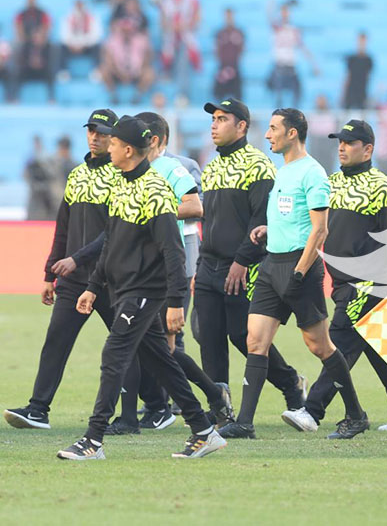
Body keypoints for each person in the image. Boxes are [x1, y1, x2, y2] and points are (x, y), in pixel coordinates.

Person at [57, 116, 226, 460]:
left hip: (146, 291)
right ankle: (204, 429)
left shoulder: (155, 191)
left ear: (129, 150)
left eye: (114, 143)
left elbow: (173, 251)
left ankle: (93, 439)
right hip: (123, 288)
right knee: (160, 360)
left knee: (114, 353)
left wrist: (176, 301)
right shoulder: (120, 185)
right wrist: (93, 286)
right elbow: (110, 243)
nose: (109, 148)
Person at [219, 111, 368, 440]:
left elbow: (320, 230)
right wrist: (267, 229)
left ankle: (356, 415)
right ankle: (244, 423)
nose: (267, 135)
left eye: (273, 129)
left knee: (319, 345)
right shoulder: (283, 170)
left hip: (300, 268)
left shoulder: (313, 173)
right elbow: (291, 217)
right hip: (272, 264)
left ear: (292, 134)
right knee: (255, 341)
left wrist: (300, 271)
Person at [279, 117, 387, 436]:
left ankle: (313, 410)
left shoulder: (382, 187)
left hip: (368, 281)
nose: (342, 148)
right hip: (341, 281)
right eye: (340, 143)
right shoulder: (330, 182)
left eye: (349, 143)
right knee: (373, 345)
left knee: (340, 343)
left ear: (368, 149)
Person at [104, 111, 234, 434]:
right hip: (138, 269)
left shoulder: (171, 168)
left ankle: (180, 406)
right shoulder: (126, 174)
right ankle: (189, 404)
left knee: (161, 347)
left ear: (153, 140)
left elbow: (196, 206)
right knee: (154, 348)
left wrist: (154, 213)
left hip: (163, 268)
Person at [4, 110, 119, 430]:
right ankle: (38, 409)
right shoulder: (77, 174)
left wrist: (76, 259)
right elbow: (63, 227)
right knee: (56, 341)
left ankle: (155, 405)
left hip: (110, 277)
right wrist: (49, 275)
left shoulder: (120, 176)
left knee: (133, 346)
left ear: (115, 138)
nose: (95, 137)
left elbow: (112, 232)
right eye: (91, 131)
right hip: (73, 278)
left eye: (102, 133)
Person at [195, 98, 305, 413]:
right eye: (213, 119)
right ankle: (219, 406)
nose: (214, 125)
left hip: (244, 267)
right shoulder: (212, 167)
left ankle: (291, 383)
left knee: (244, 336)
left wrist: (241, 261)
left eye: (222, 119)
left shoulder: (258, 165)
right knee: (209, 338)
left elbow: (262, 220)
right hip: (209, 264)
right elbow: (210, 221)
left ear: (241, 126)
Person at [268, 2, 317, 108]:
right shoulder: (277, 28)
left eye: (286, 12)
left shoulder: (293, 30)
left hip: (291, 66)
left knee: (297, 93)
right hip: (279, 66)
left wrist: (313, 65)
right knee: (278, 96)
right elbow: (269, 13)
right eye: (283, 12)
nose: (285, 14)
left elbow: (302, 47)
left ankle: (293, 114)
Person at [9, 0, 57, 102]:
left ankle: (52, 98)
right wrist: (26, 39)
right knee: (16, 48)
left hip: (41, 39)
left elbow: (47, 27)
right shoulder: (21, 13)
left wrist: (40, 37)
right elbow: (18, 28)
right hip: (25, 41)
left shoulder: (42, 13)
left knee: (52, 51)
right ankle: (14, 97)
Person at [157, 0, 201, 103]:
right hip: (170, 39)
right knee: (168, 61)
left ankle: (182, 95)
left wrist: (182, 26)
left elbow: (196, 20)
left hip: (186, 39)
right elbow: (162, 23)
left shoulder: (191, 0)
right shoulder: (166, 2)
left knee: (183, 63)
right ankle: (167, 96)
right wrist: (172, 27)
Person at [100, 18, 154, 105]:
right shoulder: (112, 40)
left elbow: (147, 59)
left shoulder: (142, 40)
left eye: (129, 30)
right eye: (124, 30)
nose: (126, 32)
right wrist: (120, 73)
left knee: (149, 73)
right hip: (117, 72)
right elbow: (108, 60)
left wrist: (138, 70)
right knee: (104, 70)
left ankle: (137, 96)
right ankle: (113, 95)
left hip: (137, 72)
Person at [58, 0, 102, 79]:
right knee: (61, 47)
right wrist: (73, 45)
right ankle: (63, 71)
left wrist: (83, 44)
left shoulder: (92, 17)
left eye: (81, 5)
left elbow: (96, 35)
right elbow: (64, 35)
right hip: (71, 47)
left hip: (87, 46)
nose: (79, 7)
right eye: (77, 5)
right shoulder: (68, 17)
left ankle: (96, 71)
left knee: (97, 46)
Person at [213, 7, 244, 100]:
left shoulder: (238, 32)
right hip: (222, 65)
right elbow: (216, 48)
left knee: (237, 94)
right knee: (219, 93)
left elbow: (242, 48)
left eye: (230, 16)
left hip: (235, 65)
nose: (229, 18)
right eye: (227, 16)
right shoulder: (220, 33)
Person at [24, 136, 58, 220]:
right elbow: (26, 174)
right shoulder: (31, 158)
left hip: (46, 193)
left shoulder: (47, 157)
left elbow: (52, 174)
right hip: (35, 192)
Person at [343, 33, 372, 109]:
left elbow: (368, 77)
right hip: (351, 92)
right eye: (360, 41)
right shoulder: (351, 59)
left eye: (363, 41)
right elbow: (347, 76)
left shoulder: (368, 60)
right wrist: (343, 94)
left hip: (362, 92)